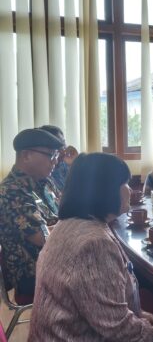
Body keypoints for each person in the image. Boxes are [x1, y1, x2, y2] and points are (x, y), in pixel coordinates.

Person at [28, 153, 153, 341]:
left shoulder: (68, 224)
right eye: (124, 183)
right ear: (106, 190)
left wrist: (138, 314)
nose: (130, 190)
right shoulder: (95, 244)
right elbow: (117, 329)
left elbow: (100, 305)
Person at [0, 128, 63, 298]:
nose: (55, 161)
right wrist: (74, 227)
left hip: (57, 262)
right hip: (35, 274)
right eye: (50, 155)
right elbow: (43, 238)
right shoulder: (11, 191)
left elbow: (65, 212)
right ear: (26, 156)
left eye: (56, 155)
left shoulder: (46, 182)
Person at [39, 125, 79, 192]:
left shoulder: (65, 163)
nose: (64, 149)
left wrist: (75, 164)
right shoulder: (43, 170)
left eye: (64, 143)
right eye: (59, 146)